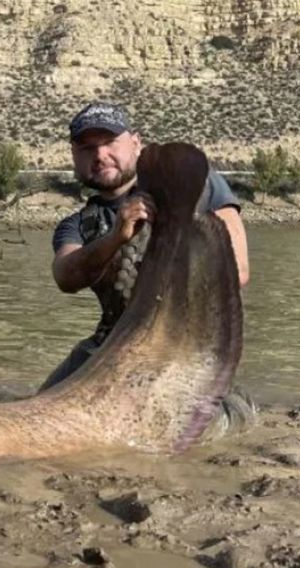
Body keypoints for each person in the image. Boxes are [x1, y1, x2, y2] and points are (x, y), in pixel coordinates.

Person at [40, 102, 250, 391]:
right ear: (74, 156)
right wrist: (116, 237)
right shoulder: (77, 225)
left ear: (136, 143)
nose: (100, 155)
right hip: (108, 347)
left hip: (185, 347)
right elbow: (65, 276)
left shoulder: (195, 184)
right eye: (87, 148)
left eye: (110, 142)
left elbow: (238, 272)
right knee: (36, 409)